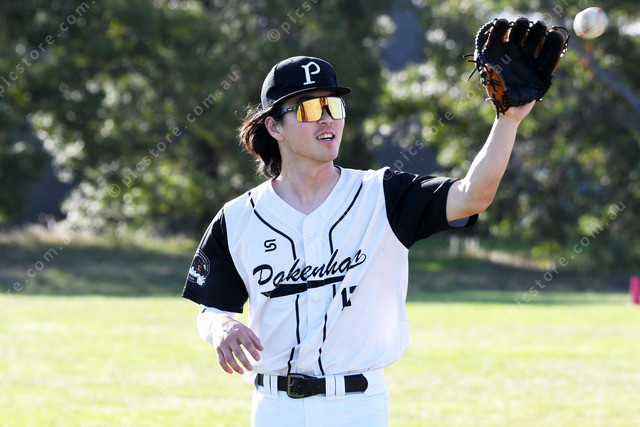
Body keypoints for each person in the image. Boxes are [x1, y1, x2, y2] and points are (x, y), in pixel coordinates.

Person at [182, 55, 535, 426]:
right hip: (274, 407)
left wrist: (507, 120)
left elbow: (472, 196)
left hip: (357, 407)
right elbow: (211, 309)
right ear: (274, 126)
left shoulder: (383, 195)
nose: (327, 118)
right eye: (309, 108)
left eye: (333, 106)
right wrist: (221, 327)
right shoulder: (239, 217)